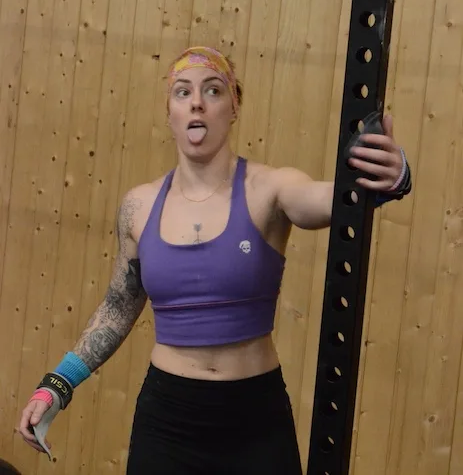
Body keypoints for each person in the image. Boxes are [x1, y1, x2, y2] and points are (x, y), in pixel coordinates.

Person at [17, 46, 411, 474]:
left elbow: (327, 199)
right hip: (167, 421)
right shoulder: (139, 207)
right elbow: (118, 306)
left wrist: (386, 178)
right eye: (182, 92)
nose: (197, 103)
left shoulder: (269, 189)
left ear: (234, 105)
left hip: (255, 420)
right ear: (170, 112)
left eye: (213, 90)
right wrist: (58, 383)